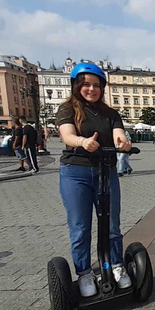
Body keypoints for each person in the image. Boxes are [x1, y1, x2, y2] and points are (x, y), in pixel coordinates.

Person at [57, 62, 133, 297]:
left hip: (105, 170)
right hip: (75, 172)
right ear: (77, 86)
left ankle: (116, 266)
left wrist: (123, 144)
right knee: (80, 227)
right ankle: (85, 273)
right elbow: (67, 135)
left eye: (97, 85)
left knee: (111, 225)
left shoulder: (110, 114)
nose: (92, 89)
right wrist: (82, 142)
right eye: (86, 85)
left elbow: (119, 135)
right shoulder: (68, 109)